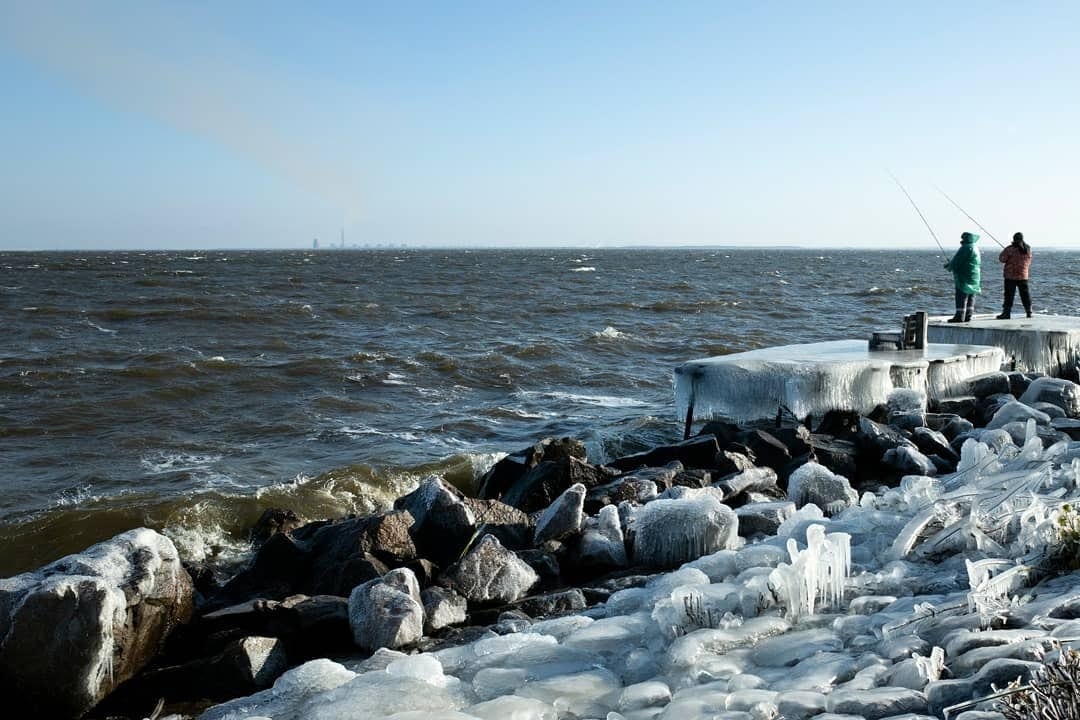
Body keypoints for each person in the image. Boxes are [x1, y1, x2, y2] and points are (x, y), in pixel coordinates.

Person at [944, 231, 981, 322]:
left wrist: (949, 266)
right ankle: (968, 316)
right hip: (974, 277)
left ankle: (959, 316)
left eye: (963, 238)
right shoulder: (975, 247)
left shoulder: (965, 248)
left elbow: (957, 261)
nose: (962, 239)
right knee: (971, 295)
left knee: (961, 296)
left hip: (964, 276)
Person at [996, 232, 1033, 319]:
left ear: (1014, 239)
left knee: (1009, 295)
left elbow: (1002, 259)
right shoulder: (1028, 249)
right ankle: (1029, 312)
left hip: (1010, 276)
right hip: (1023, 276)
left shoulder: (1010, 249)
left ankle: (1006, 313)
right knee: (1025, 295)